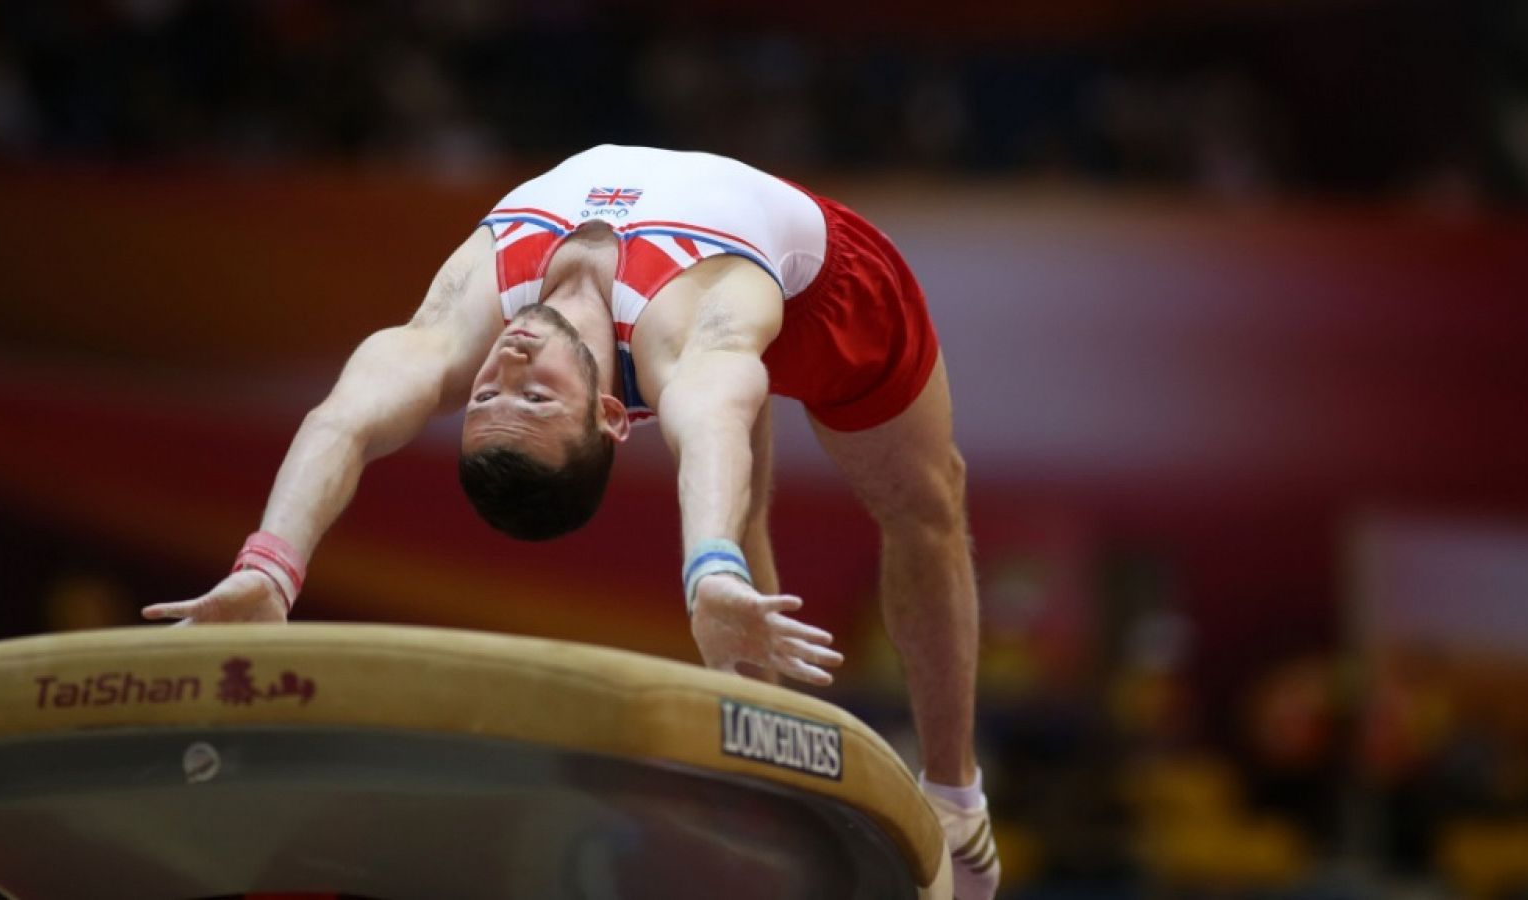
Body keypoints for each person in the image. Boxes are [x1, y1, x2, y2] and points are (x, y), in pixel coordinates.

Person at [141, 145, 999, 898]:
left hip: (784, 280)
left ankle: (954, 796)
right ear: (615, 415)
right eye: (536, 394)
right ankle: (883, 791)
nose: (506, 363)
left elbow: (346, 420)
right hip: (822, 296)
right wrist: (711, 570)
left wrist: (270, 568)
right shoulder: (684, 335)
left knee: (926, 504)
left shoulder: (462, 329)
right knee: (784, 486)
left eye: (489, 394)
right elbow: (704, 419)